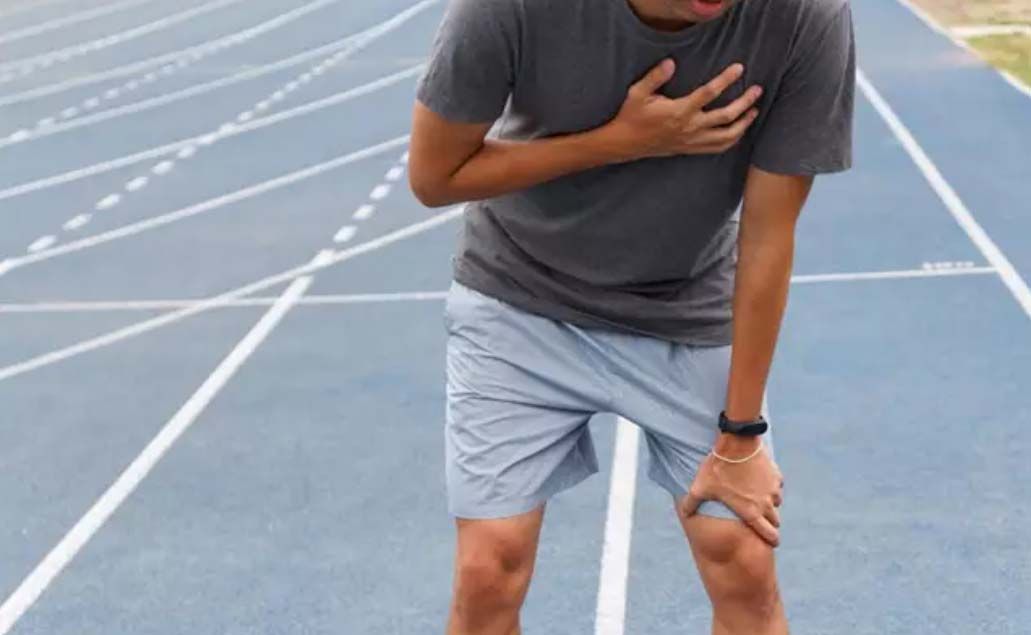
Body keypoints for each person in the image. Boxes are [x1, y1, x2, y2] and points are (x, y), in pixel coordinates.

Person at [408, 0, 855, 631]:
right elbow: (433, 176)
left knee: (743, 562)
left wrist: (741, 434)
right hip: (519, 298)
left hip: (684, 308)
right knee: (489, 571)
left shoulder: (804, 16)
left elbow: (769, 235)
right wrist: (621, 143)